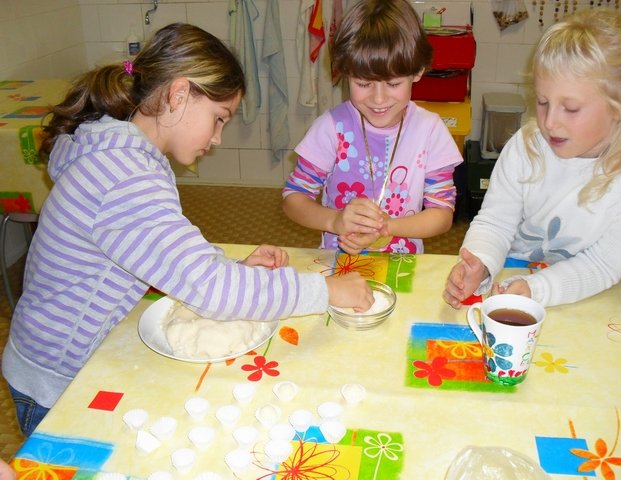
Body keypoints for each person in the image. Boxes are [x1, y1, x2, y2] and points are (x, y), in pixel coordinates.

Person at [2, 23, 373, 438]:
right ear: (179, 95)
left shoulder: (122, 153)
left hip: (68, 356)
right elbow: (210, 289)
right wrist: (324, 291)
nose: (217, 139)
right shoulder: (124, 176)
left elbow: (169, 248)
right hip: (59, 379)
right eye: (218, 119)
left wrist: (233, 269)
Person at [443, 8, 621, 309]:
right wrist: (480, 263)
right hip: (513, 274)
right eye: (543, 102)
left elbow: (603, 264)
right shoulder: (527, 147)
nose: (549, 122)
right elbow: (496, 222)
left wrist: (537, 288)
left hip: (585, 293)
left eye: (571, 109)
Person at [282, 0, 463, 255]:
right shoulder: (331, 128)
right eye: (364, 84)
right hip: (338, 262)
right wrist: (334, 221)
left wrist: (386, 227)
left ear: (417, 71)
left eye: (393, 84)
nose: (378, 99)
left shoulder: (430, 131)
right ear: (345, 72)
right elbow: (294, 199)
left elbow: (442, 214)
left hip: (402, 265)